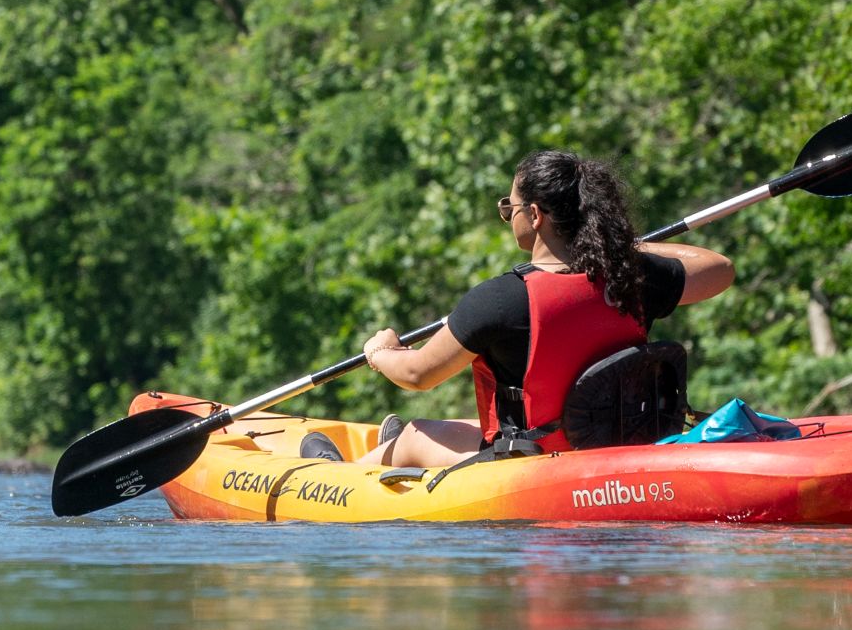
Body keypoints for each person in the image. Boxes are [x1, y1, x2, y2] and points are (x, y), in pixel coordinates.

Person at [312, 150, 732, 468]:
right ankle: (384, 445)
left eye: (508, 208)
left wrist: (381, 352)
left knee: (418, 432)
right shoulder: (633, 277)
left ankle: (337, 477)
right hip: (615, 451)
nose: (507, 216)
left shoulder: (502, 299)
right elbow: (718, 269)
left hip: (532, 464)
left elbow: (418, 374)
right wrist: (623, 248)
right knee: (464, 424)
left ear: (534, 216)